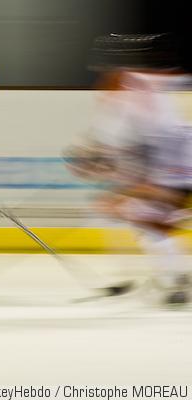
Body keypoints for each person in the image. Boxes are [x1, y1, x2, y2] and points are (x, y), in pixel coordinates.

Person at [66, 33, 192, 305]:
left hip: (171, 165)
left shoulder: (123, 86)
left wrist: (90, 157)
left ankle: (174, 280)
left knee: (133, 214)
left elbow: (113, 139)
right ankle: (173, 277)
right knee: (143, 217)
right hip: (174, 163)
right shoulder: (171, 80)